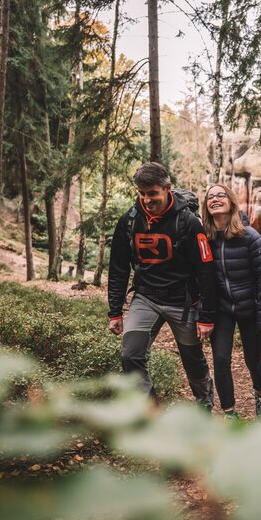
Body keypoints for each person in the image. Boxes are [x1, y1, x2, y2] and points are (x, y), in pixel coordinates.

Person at [107, 162, 216, 409]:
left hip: (184, 302)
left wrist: (207, 316)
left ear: (168, 188)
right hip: (146, 299)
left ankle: (204, 406)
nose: (147, 199)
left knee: (192, 359)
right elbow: (118, 268)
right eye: (142, 193)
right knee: (130, 355)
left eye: (152, 193)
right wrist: (115, 311)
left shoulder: (189, 222)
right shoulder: (129, 221)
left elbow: (206, 269)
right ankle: (151, 412)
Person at [202, 183, 261, 419]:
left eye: (220, 195)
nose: (215, 199)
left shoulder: (249, 236)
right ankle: (229, 412)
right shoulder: (205, 238)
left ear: (231, 201)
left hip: (249, 308)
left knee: (253, 360)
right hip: (222, 309)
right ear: (206, 206)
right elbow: (199, 278)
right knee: (221, 360)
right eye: (210, 197)